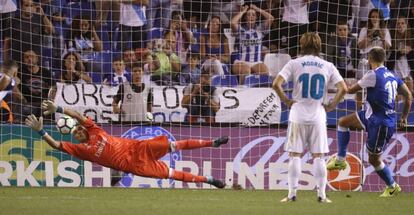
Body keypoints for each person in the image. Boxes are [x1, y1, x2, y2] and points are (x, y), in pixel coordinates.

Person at [25, 100, 227, 188]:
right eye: (75, 133)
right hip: (134, 166)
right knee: (172, 174)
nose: (78, 132)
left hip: (139, 147)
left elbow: (77, 115)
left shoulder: (95, 130)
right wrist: (40, 131)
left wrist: (59, 108)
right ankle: (209, 180)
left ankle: (213, 142)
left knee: (175, 145)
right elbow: (55, 145)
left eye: (78, 129)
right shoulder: (80, 150)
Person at [326, 47, 412, 197]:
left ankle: (392, 186)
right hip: (370, 115)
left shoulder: (372, 74)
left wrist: (339, 82)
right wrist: (403, 117)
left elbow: (351, 90)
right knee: (343, 122)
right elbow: (409, 96)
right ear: (383, 59)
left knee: (373, 159)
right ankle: (340, 160)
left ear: (370, 59)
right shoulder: (393, 75)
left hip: (381, 123)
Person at [272, 32, 348, 203]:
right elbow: (343, 88)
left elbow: (276, 84)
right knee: (319, 156)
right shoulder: (327, 65)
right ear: (319, 46)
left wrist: (287, 101)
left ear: (302, 45)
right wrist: (331, 106)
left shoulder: (294, 63)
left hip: (297, 114)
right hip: (318, 115)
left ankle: (292, 194)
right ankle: (321, 195)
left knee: (295, 155)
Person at [231, 4, 273, 83]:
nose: (251, 16)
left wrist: (257, 9)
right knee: (246, 72)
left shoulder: (260, 29)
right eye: (248, 15)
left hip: (256, 62)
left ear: (256, 17)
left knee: (265, 73)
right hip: (241, 61)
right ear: (245, 17)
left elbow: (271, 18)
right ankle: (242, 91)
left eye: (253, 15)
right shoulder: (241, 29)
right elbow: (233, 23)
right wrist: (243, 11)